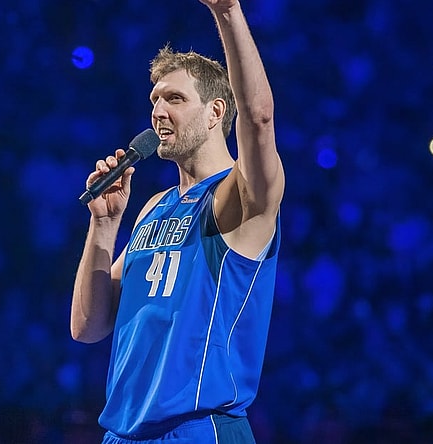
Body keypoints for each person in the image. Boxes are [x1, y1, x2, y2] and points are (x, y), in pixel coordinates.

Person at [71, 0, 285, 442]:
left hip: (198, 428)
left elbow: (260, 119)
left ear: (216, 112)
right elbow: (87, 327)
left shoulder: (238, 197)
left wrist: (227, 13)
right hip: (124, 432)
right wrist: (104, 226)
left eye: (175, 98)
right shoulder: (153, 208)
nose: (158, 111)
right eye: (154, 99)